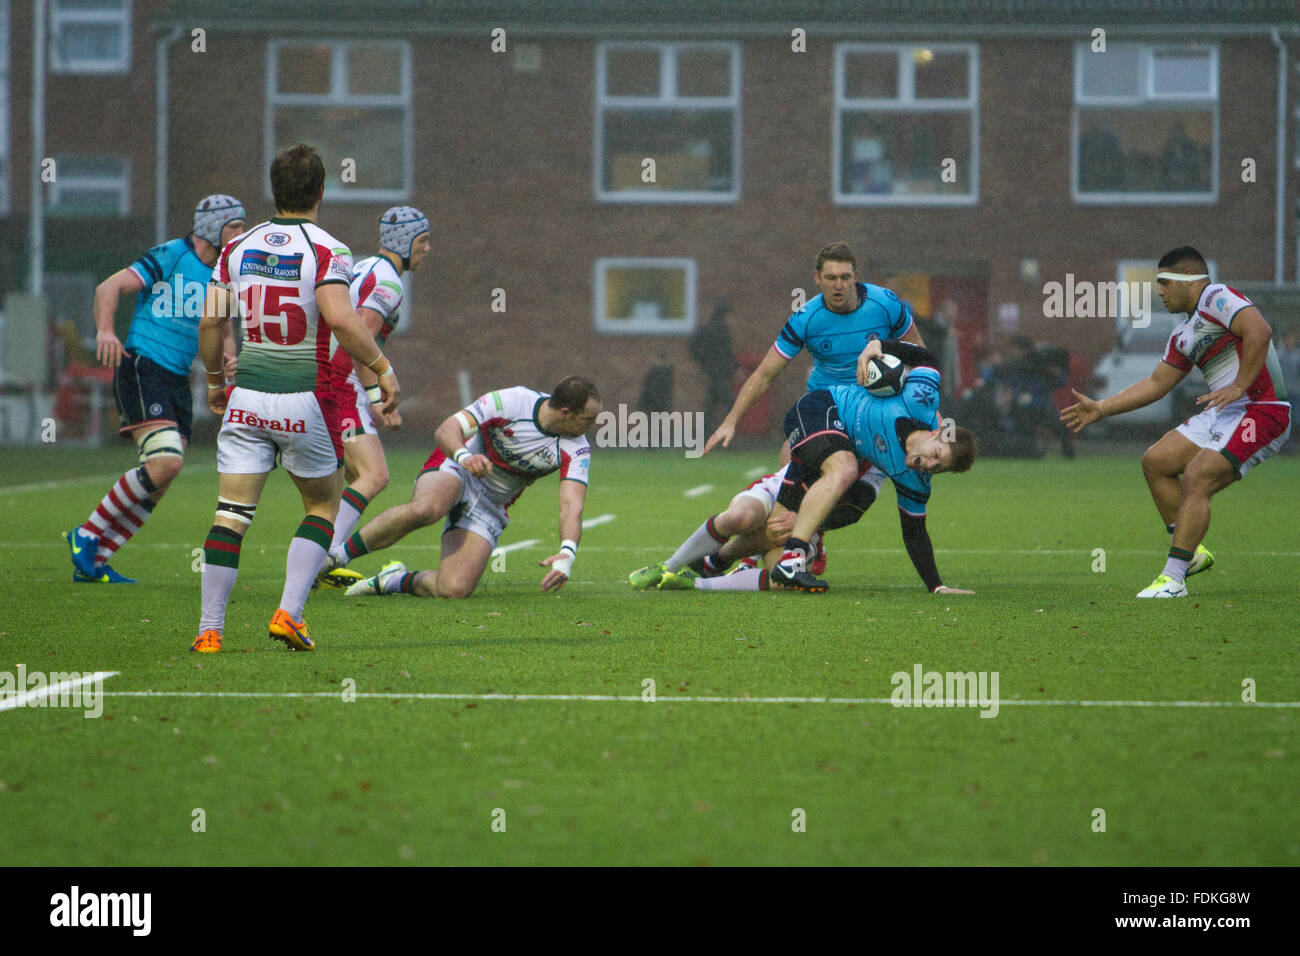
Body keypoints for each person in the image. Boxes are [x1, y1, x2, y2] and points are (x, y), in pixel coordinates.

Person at [190, 144, 400, 652]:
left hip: (246, 399)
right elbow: (343, 320)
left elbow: (211, 321)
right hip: (303, 400)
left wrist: (216, 383)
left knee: (230, 516)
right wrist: (381, 369)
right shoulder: (329, 250)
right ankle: (289, 614)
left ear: (274, 190)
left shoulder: (237, 247)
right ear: (321, 191)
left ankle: (209, 632)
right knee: (322, 507)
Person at [1060, 246, 1291, 598]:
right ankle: (1192, 553)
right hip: (1226, 410)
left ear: (1188, 275)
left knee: (1198, 475)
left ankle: (1173, 578)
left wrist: (1240, 385)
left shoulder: (1216, 296)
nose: (1160, 292)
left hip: (1263, 409)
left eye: (1165, 282)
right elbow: (1156, 384)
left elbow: (1259, 329)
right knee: (1157, 461)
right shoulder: (1183, 334)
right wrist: (1101, 408)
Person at [64, 195, 246, 583]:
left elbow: (225, 330)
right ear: (212, 228)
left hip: (176, 380)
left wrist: (230, 358)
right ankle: (86, 534)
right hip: (144, 367)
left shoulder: (225, 274)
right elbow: (108, 287)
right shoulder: (172, 254)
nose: (242, 234)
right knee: (166, 463)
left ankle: (96, 562)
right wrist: (106, 331)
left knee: (162, 478)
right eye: (235, 226)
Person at [336, 377, 599, 599]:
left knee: (453, 589)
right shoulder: (513, 401)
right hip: (457, 465)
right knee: (427, 508)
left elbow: (571, 506)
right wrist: (465, 456)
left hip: (489, 504)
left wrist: (567, 553)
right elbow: (446, 430)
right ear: (566, 412)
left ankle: (391, 580)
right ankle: (335, 558)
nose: (593, 425)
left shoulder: (577, 448)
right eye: (589, 419)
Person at [767, 337, 977, 593]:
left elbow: (915, 534)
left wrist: (937, 586)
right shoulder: (921, 399)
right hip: (819, 408)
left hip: (832, 443)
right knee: (845, 469)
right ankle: (794, 558)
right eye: (936, 454)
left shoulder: (913, 480)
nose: (929, 465)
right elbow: (928, 358)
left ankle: (716, 561)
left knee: (764, 529)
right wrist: (878, 346)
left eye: (937, 468)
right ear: (936, 433)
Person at [702, 241, 924, 456]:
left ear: (855, 277)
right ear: (817, 278)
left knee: (852, 473)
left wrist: (926, 407)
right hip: (826, 403)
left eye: (845, 277)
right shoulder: (805, 319)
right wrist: (729, 422)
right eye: (831, 278)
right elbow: (763, 375)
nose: (839, 285)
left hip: (875, 404)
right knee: (790, 456)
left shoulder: (886, 304)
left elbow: (919, 354)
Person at [316, 206, 431, 589]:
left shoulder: (365, 267)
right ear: (406, 242)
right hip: (342, 383)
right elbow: (359, 337)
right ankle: (324, 558)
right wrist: (373, 394)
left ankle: (320, 555)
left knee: (350, 475)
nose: (427, 249)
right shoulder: (388, 282)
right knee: (374, 475)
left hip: (332, 379)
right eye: (423, 240)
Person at [628, 461, 886, 591]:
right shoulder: (835, 422)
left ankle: (695, 580)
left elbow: (853, 509)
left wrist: (808, 519)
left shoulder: (881, 459)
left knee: (783, 581)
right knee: (737, 519)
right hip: (776, 492)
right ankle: (668, 566)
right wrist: (790, 511)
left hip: (805, 521)